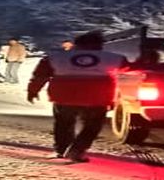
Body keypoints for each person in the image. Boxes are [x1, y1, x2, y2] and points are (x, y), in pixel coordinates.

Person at [27, 30, 128, 162]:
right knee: (92, 126)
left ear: (77, 44)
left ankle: (61, 150)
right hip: (97, 98)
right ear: (100, 44)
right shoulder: (114, 58)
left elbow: (40, 75)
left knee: (63, 124)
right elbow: (132, 69)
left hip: (64, 97)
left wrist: (33, 91)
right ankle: (77, 150)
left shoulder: (56, 58)